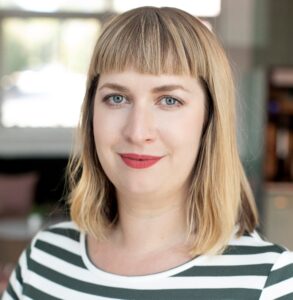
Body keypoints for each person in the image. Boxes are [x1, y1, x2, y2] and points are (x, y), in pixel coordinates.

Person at [3, 6, 293, 300]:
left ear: (209, 120)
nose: (138, 131)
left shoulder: (270, 281)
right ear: (91, 114)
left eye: (169, 100)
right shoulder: (42, 258)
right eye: (116, 98)